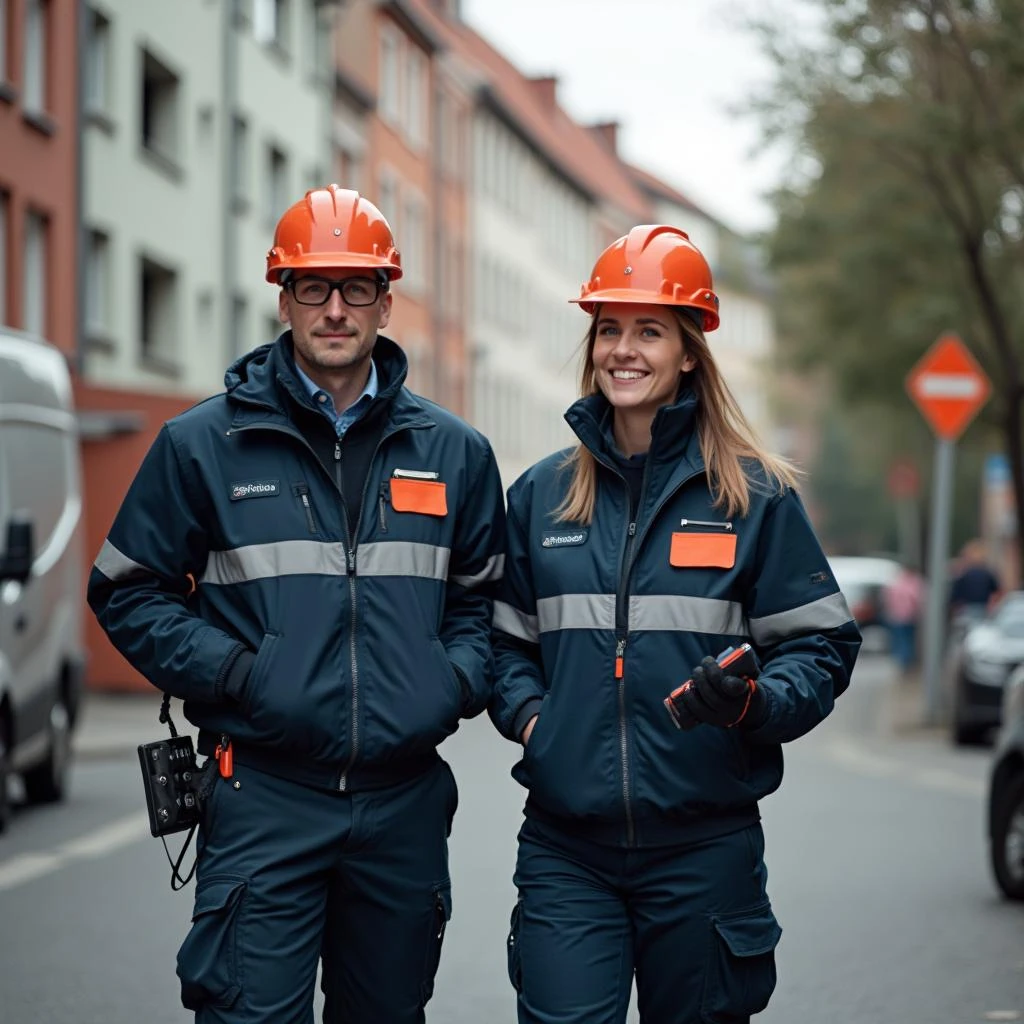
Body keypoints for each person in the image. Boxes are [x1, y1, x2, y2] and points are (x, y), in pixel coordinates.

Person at [87, 185, 506, 1024]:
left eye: (357, 288)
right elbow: (127, 590)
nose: (336, 309)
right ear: (283, 297)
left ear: (387, 301)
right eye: (314, 287)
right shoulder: (203, 444)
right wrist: (242, 673)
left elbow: (485, 604)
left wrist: (448, 681)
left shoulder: (456, 453)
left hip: (403, 803)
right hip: (265, 796)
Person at [489, 225, 862, 1024]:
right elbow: (502, 642)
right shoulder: (542, 497)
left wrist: (752, 706)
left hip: (704, 850)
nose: (624, 350)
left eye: (649, 330)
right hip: (566, 849)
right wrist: (533, 722)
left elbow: (822, 645)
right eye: (609, 329)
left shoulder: (753, 497)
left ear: (689, 352)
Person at [882, 561, 925, 675]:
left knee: (900, 640)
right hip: (910, 617)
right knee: (908, 641)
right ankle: (907, 663)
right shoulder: (916, 582)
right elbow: (918, 599)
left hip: (896, 616)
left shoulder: (896, 582)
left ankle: (903, 663)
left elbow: (888, 599)